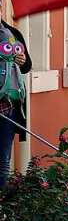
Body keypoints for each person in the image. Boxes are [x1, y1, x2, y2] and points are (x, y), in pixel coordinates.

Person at [0, 19, 31, 189]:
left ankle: (1, 208)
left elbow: (27, 66)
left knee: (3, 162)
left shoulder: (12, 34)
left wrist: (22, 59)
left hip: (7, 108)